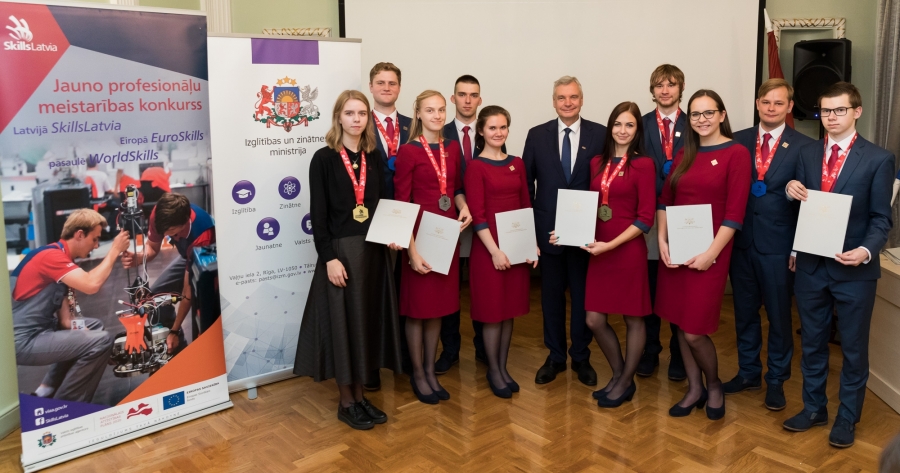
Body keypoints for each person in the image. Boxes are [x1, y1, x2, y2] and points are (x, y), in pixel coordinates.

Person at [783, 82, 894, 448]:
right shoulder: (807, 152)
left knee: (853, 349)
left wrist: (866, 250)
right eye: (825, 111)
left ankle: (847, 417)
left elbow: (882, 218)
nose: (831, 117)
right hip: (811, 267)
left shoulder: (878, 159)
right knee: (812, 343)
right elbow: (803, 207)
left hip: (854, 271)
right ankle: (814, 408)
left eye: (839, 110)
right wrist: (790, 191)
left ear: (856, 112)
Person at [293, 90, 403, 430]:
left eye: (362, 113)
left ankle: (361, 396)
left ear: (368, 119)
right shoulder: (323, 159)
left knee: (364, 326)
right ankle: (347, 402)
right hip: (341, 255)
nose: (356, 119)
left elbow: (383, 205)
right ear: (338, 117)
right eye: (350, 113)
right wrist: (329, 258)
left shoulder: (374, 157)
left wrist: (393, 234)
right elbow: (319, 216)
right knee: (344, 329)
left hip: (373, 254)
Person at [656, 90, 751, 421]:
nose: (702, 119)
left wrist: (711, 254)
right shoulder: (685, 153)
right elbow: (665, 200)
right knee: (680, 323)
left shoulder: (737, 153)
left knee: (695, 330)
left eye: (709, 112)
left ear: (722, 115)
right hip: (678, 253)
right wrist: (662, 240)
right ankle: (694, 388)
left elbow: (735, 214)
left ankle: (713, 385)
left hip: (711, 254)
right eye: (695, 114)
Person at [726, 79, 814, 410]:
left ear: (790, 106)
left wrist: (797, 248)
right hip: (741, 242)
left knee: (779, 317)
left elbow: (811, 201)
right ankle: (748, 372)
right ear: (757, 104)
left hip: (779, 246)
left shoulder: (805, 146)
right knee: (744, 313)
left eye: (779, 103)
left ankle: (776, 380)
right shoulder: (737, 140)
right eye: (766, 102)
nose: (771, 108)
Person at [567, 101, 655, 407]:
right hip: (599, 251)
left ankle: (626, 381)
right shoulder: (596, 163)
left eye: (630, 125)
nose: (623, 130)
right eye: (618, 124)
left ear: (637, 130)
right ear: (610, 127)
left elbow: (645, 218)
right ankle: (619, 375)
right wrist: (565, 231)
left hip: (627, 249)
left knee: (633, 318)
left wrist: (611, 245)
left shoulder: (644, 164)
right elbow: (588, 207)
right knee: (593, 319)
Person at [523, 76, 605, 386]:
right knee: (551, 299)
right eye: (561, 97)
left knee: (583, 298)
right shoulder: (537, 135)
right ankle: (555, 356)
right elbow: (526, 185)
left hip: (586, 236)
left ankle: (581, 356)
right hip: (549, 234)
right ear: (554, 102)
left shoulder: (601, 134)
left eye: (573, 97)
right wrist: (532, 231)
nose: (567, 103)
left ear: (582, 100)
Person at [394, 90, 472, 404]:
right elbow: (402, 204)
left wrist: (464, 206)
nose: (437, 116)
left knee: (438, 306)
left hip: (446, 235)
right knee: (418, 310)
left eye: (441, 110)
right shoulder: (408, 151)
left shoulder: (452, 148)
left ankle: (430, 369)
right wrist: (411, 252)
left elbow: (455, 189)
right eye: (430, 110)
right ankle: (418, 373)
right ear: (418, 114)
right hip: (419, 236)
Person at [12, 209, 130, 403]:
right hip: (24, 340)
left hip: (40, 330)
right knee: (101, 341)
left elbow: (67, 322)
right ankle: (68, 405)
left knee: (95, 327)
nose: (96, 245)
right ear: (80, 234)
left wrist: (87, 337)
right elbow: (91, 285)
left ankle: (46, 391)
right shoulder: (51, 257)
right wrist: (114, 250)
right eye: (94, 239)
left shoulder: (61, 257)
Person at [465, 105, 537, 398]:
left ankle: (503, 368)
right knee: (493, 312)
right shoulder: (475, 167)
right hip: (489, 250)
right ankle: (493, 370)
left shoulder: (517, 163)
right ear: (482, 131)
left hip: (516, 248)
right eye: (492, 127)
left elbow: (525, 205)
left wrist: (531, 243)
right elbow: (478, 216)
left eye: (503, 127)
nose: (498, 132)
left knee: (509, 311)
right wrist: (495, 251)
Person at [639, 64, 687, 381]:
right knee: (650, 286)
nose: (665, 90)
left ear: (680, 88)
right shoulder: (639, 124)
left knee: (679, 287)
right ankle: (650, 350)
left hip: (684, 215)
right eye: (659, 85)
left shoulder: (695, 122)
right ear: (652, 90)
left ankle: (679, 354)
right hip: (648, 215)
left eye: (671, 84)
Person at [121, 192, 215, 355]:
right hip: (187, 256)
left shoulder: (202, 234)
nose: (166, 235)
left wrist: (174, 330)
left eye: (171, 232)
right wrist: (139, 257)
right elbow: (152, 248)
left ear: (185, 222)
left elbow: (187, 292)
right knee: (156, 299)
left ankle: (192, 347)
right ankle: (178, 350)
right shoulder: (159, 215)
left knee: (202, 313)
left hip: (207, 265)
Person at [367, 62, 413, 391]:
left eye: (392, 82)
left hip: (410, 215)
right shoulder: (359, 123)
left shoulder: (413, 125)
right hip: (371, 218)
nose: (387, 87)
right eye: (381, 82)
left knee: (405, 289)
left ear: (399, 87)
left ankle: (404, 356)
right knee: (374, 291)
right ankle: (371, 362)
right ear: (371, 87)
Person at [437, 74, 487, 373]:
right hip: (448, 217)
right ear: (453, 98)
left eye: (473, 95)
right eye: (462, 94)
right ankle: (450, 349)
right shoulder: (438, 132)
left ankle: (484, 347)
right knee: (449, 286)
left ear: (480, 99)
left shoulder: (490, 130)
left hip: (483, 220)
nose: (468, 100)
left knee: (482, 284)